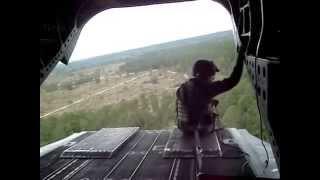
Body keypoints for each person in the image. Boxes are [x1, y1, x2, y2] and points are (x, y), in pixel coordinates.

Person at [176, 47, 245, 135]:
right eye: (212, 75)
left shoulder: (184, 86)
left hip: (184, 129)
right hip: (200, 130)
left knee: (211, 102)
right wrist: (241, 56)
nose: (213, 78)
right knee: (212, 105)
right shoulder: (206, 88)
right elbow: (233, 80)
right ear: (206, 75)